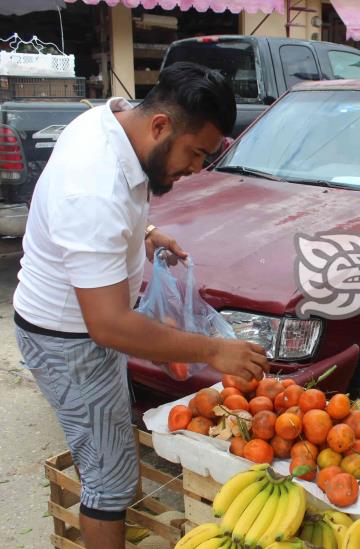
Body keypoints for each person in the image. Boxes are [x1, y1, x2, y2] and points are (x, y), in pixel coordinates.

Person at [13, 62, 269, 549]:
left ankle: (106, 508)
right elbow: (109, 325)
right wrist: (213, 351)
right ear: (160, 125)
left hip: (82, 328)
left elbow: (79, 212)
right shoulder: (93, 187)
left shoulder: (109, 121)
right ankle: (104, 519)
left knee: (109, 451)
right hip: (68, 340)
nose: (197, 169)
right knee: (108, 482)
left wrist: (144, 234)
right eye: (195, 153)